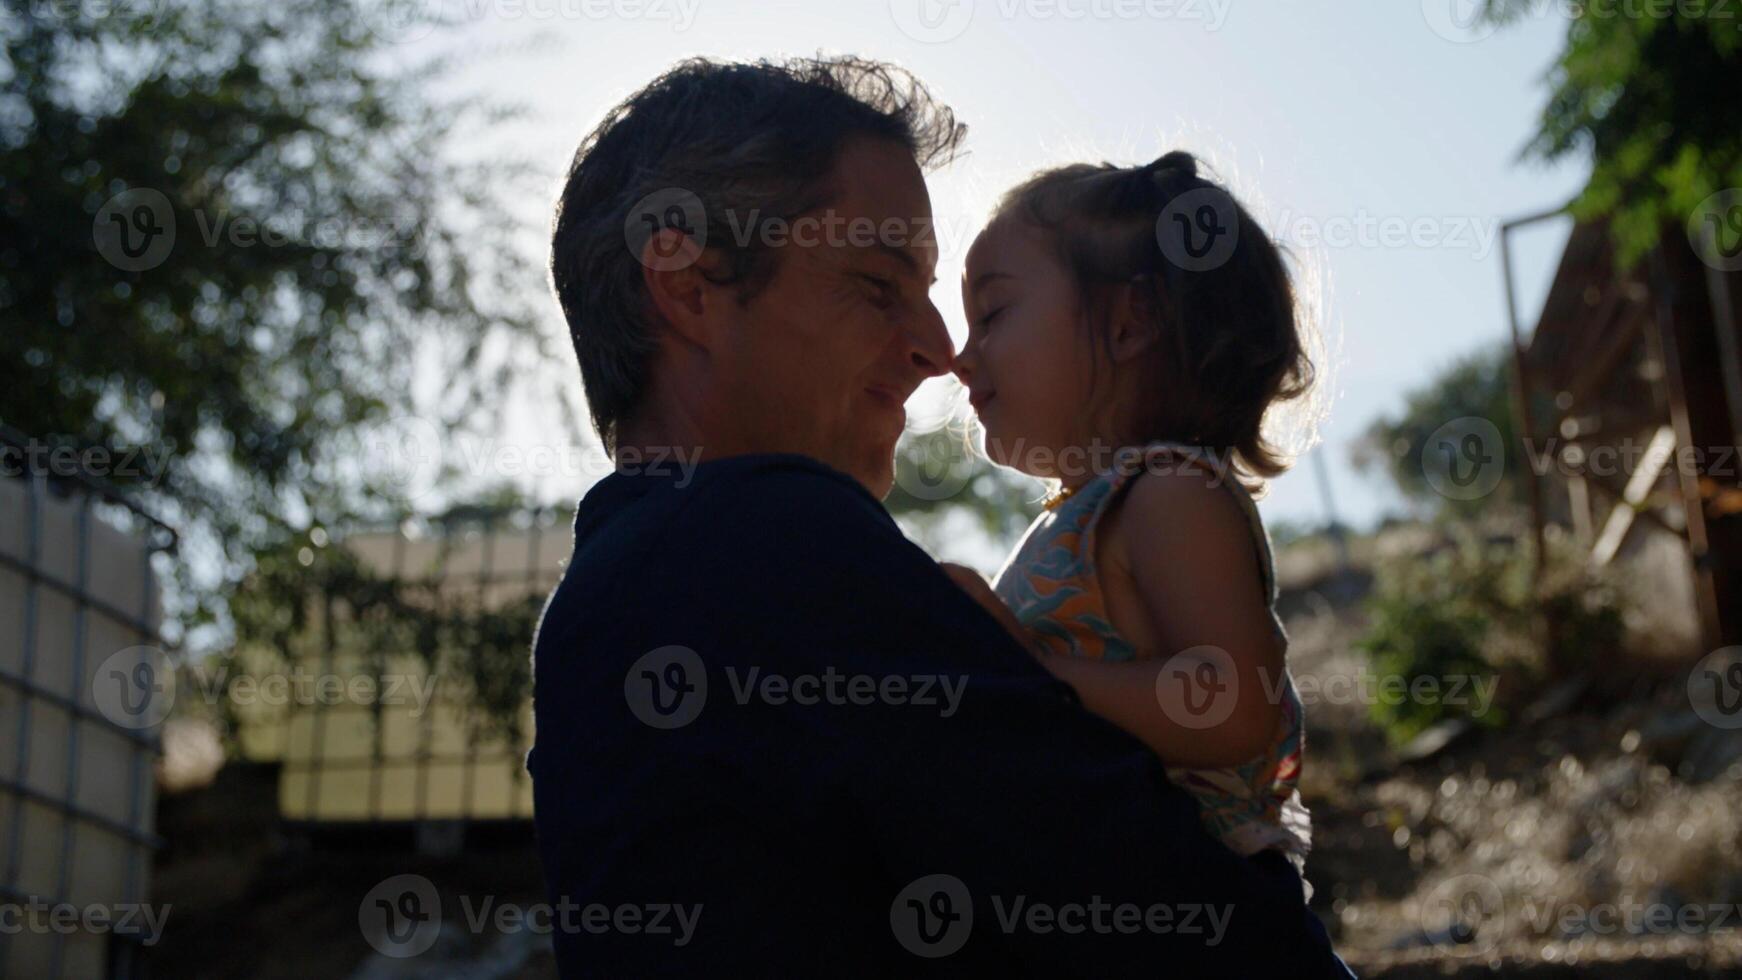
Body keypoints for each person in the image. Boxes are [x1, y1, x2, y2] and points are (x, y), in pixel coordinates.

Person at [531, 55, 1353, 977]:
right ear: (688, 288)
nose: (938, 352)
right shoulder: (770, 543)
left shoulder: (605, 604)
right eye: (879, 287)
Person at [948, 149, 1319, 884]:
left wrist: (1028, 671)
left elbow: (1239, 707)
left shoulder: (1168, 494)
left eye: (991, 315)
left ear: (1129, 322)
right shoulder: (1087, 514)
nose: (961, 359)